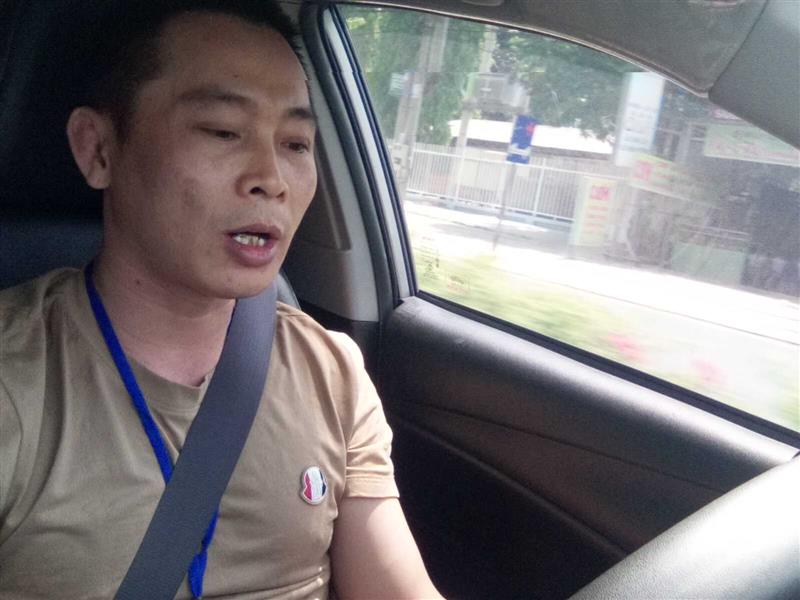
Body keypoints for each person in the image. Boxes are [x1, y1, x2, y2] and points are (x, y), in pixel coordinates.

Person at [0, 1, 442, 598]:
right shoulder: (17, 380)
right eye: (223, 132)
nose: (271, 179)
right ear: (97, 149)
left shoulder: (332, 372)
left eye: (296, 144)